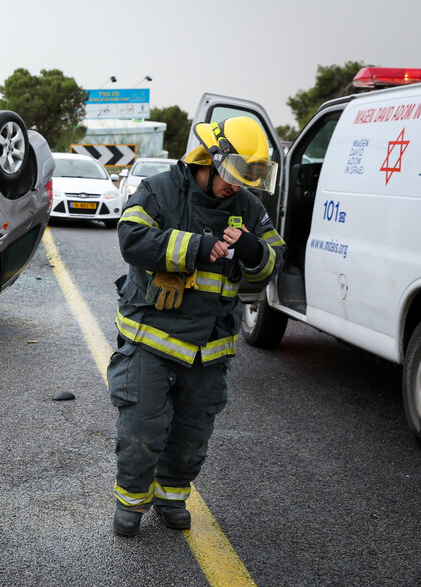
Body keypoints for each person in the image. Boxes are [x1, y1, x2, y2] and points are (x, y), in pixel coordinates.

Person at [107, 116, 286, 537]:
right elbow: (131, 238)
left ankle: (172, 497)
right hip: (151, 338)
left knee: (192, 432)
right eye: (233, 175)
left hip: (210, 345)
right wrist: (194, 246)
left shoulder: (248, 207)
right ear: (210, 159)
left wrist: (253, 250)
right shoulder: (159, 190)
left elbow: (274, 260)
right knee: (143, 428)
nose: (237, 186)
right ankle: (131, 503)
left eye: (247, 178)